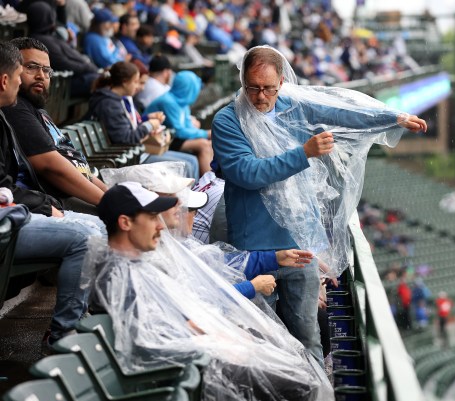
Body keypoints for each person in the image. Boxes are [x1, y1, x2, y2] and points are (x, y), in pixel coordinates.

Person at [211, 46, 426, 363]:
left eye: (268, 88)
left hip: (300, 245)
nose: (260, 97)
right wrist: (304, 153)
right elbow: (247, 172)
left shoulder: (290, 107)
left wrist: (391, 117)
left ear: (282, 82)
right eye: (252, 87)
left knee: (308, 335)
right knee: (264, 342)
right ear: (242, 81)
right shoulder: (227, 121)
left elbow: (340, 110)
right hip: (255, 249)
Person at [89, 182, 333, 400]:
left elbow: (176, 310)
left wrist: (219, 333)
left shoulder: (136, 262)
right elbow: (152, 339)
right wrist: (215, 342)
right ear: (125, 222)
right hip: (185, 365)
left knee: (286, 354)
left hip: (196, 352)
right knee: (303, 383)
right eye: (152, 217)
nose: (160, 226)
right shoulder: (119, 274)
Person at [0, 41, 101, 351]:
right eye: (26, 70)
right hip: (12, 219)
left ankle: (97, 321)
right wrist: (43, 205)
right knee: (86, 237)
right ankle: (62, 336)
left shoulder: (11, 113)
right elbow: (9, 187)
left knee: (96, 231)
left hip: (19, 210)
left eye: (46, 69)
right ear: (6, 79)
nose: (36, 77)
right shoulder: (13, 112)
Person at [100, 161, 313, 300]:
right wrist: (252, 286)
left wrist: (274, 258)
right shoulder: (143, 261)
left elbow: (217, 263)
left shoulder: (166, 245)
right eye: (168, 200)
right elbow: (199, 304)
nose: (179, 205)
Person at [3, 37, 107, 214]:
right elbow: (51, 167)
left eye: (46, 70)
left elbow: (80, 169)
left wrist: (111, 195)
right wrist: (110, 202)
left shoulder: (39, 111)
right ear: (14, 70)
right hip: (55, 200)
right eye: (31, 67)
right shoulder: (16, 108)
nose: (41, 76)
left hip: (74, 192)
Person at [86, 61, 199, 179]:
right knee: (187, 166)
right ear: (125, 82)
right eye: (135, 82)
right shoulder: (109, 104)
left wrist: (147, 119)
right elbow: (126, 138)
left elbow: (128, 126)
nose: (138, 87)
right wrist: (149, 125)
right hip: (129, 158)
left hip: (136, 153)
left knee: (191, 161)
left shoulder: (117, 100)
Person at [145, 71, 214, 175]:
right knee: (203, 144)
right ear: (189, 89)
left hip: (172, 137)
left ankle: (212, 179)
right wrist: (206, 134)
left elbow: (187, 125)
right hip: (159, 140)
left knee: (209, 143)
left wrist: (204, 134)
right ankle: (208, 184)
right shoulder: (168, 101)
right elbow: (180, 132)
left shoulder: (182, 102)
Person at [25, 2, 99, 97]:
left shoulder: (48, 36)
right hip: (62, 84)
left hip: (75, 76)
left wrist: (89, 66)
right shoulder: (40, 41)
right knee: (101, 80)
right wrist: (88, 67)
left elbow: (72, 55)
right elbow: (62, 63)